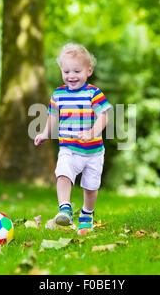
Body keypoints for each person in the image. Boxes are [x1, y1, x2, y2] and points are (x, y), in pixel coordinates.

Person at [34, 43, 112, 235]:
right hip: (69, 148)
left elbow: (104, 116)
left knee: (91, 186)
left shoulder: (93, 93)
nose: (71, 76)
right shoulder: (58, 94)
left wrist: (92, 132)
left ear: (89, 70)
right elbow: (52, 116)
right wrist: (45, 133)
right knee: (63, 173)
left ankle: (87, 213)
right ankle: (65, 209)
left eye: (77, 70)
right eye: (66, 71)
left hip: (93, 152)